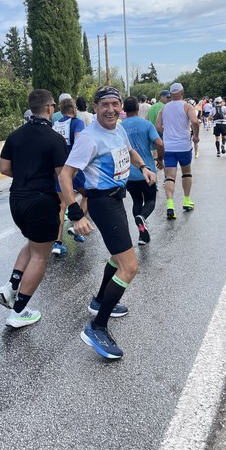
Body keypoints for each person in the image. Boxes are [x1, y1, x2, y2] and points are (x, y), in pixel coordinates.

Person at [58, 86, 156, 359]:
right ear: (95, 107)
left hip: (116, 198)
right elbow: (65, 176)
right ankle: (97, 326)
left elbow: (130, 152)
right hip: (102, 202)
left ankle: (100, 300)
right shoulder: (89, 138)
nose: (110, 109)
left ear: (121, 106)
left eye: (115, 104)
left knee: (117, 256)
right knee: (129, 267)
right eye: (105, 105)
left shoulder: (119, 129)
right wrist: (76, 213)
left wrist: (144, 167)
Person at [0, 89, 68, 328]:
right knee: (40, 255)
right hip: (41, 200)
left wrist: (25, 176)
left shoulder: (15, 135)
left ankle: (11, 286)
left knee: (34, 243)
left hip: (16, 199)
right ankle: (19, 311)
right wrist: (73, 205)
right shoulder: (54, 138)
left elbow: (4, 168)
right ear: (49, 108)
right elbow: (62, 177)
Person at [120, 96, 164, 245]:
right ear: (138, 109)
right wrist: (160, 159)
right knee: (150, 200)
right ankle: (143, 218)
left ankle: (142, 235)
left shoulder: (119, 127)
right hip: (147, 170)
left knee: (137, 201)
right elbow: (159, 143)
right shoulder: (146, 124)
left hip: (129, 172)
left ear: (124, 109)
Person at [155, 82, 200, 219]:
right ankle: (186, 201)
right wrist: (196, 136)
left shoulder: (164, 108)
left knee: (170, 176)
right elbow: (195, 121)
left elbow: (157, 126)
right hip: (183, 146)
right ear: (182, 92)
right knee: (186, 173)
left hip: (168, 147)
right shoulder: (187, 106)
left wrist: (167, 131)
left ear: (171, 94)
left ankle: (170, 205)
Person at [52, 96, 86, 255]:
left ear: (60, 110)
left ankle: (57, 243)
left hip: (58, 169)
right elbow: (79, 142)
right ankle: (77, 227)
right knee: (87, 195)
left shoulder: (54, 125)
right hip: (74, 167)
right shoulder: (77, 123)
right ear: (74, 109)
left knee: (61, 205)